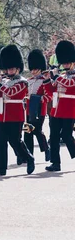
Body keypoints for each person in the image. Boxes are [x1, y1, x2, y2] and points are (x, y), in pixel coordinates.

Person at [0, 45, 34, 176]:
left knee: (15, 141)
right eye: (8, 68)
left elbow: (13, 93)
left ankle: (29, 158)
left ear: (18, 68)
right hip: (1, 114)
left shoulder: (22, 82)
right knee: (1, 142)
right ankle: (1, 168)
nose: (10, 70)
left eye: (12, 68)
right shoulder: (5, 80)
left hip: (15, 115)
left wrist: (0, 85)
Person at [43, 40, 75, 172]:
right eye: (64, 62)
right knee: (54, 136)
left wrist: (56, 77)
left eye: (68, 62)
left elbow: (70, 85)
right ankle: (55, 162)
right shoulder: (60, 75)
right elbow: (52, 91)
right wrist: (46, 80)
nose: (66, 64)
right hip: (56, 109)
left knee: (66, 135)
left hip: (69, 109)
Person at [25, 49, 50, 162]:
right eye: (32, 69)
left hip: (40, 110)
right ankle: (28, 155)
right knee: (27, 132)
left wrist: (36, 98)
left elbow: (47, 97)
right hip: (29, 110)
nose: (34, 71)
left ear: (41, 68)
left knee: (37, 131)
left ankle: (46, 149)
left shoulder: (44, 81)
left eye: (36, 69)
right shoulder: (28, 81)